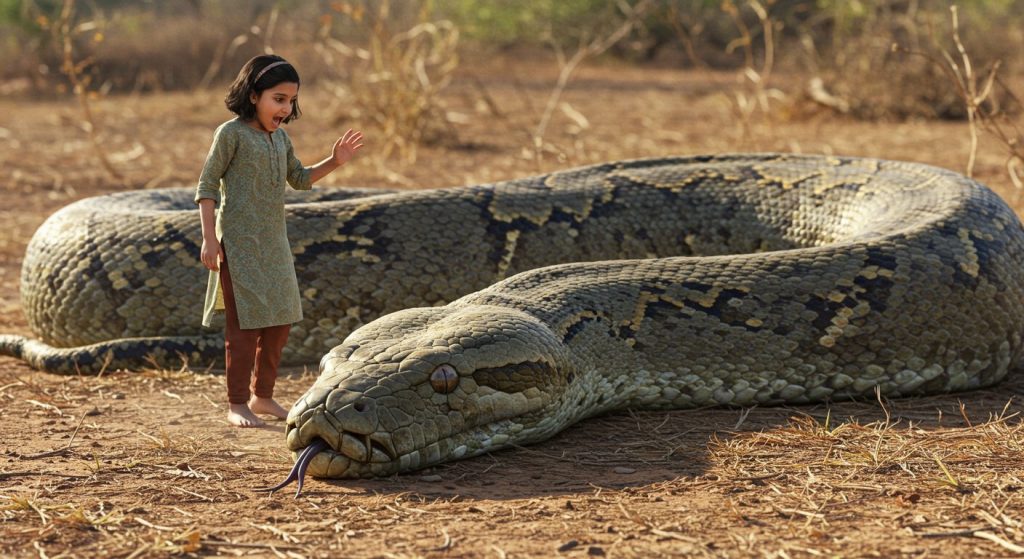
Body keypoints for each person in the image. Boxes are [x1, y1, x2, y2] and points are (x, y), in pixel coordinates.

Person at [194, 54, 364, 427]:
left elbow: (300, 179)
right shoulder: (230, 134)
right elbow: (207, 187)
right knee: (244, 328)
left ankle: (262, 396)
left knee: (280, 322)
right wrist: (210, 240)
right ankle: (237, 403)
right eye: (278, 98)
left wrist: (335, 161)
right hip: (238, 246)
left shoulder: (281, 138)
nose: (285, 108)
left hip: (274, 244)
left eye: (291, 101)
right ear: (254, 95)